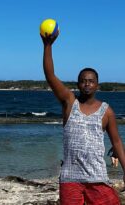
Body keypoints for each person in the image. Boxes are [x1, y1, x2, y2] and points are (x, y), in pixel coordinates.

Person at [41, 32, 125, 204]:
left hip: (97, 176)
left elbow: (116, 142)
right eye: (83, 81)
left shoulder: (106, 111)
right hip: (70, 178)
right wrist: (47, 46)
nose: (87, 84)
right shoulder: (70, 103)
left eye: (91, 81)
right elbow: (50, 76)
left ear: (97, 85)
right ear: (78, 84)